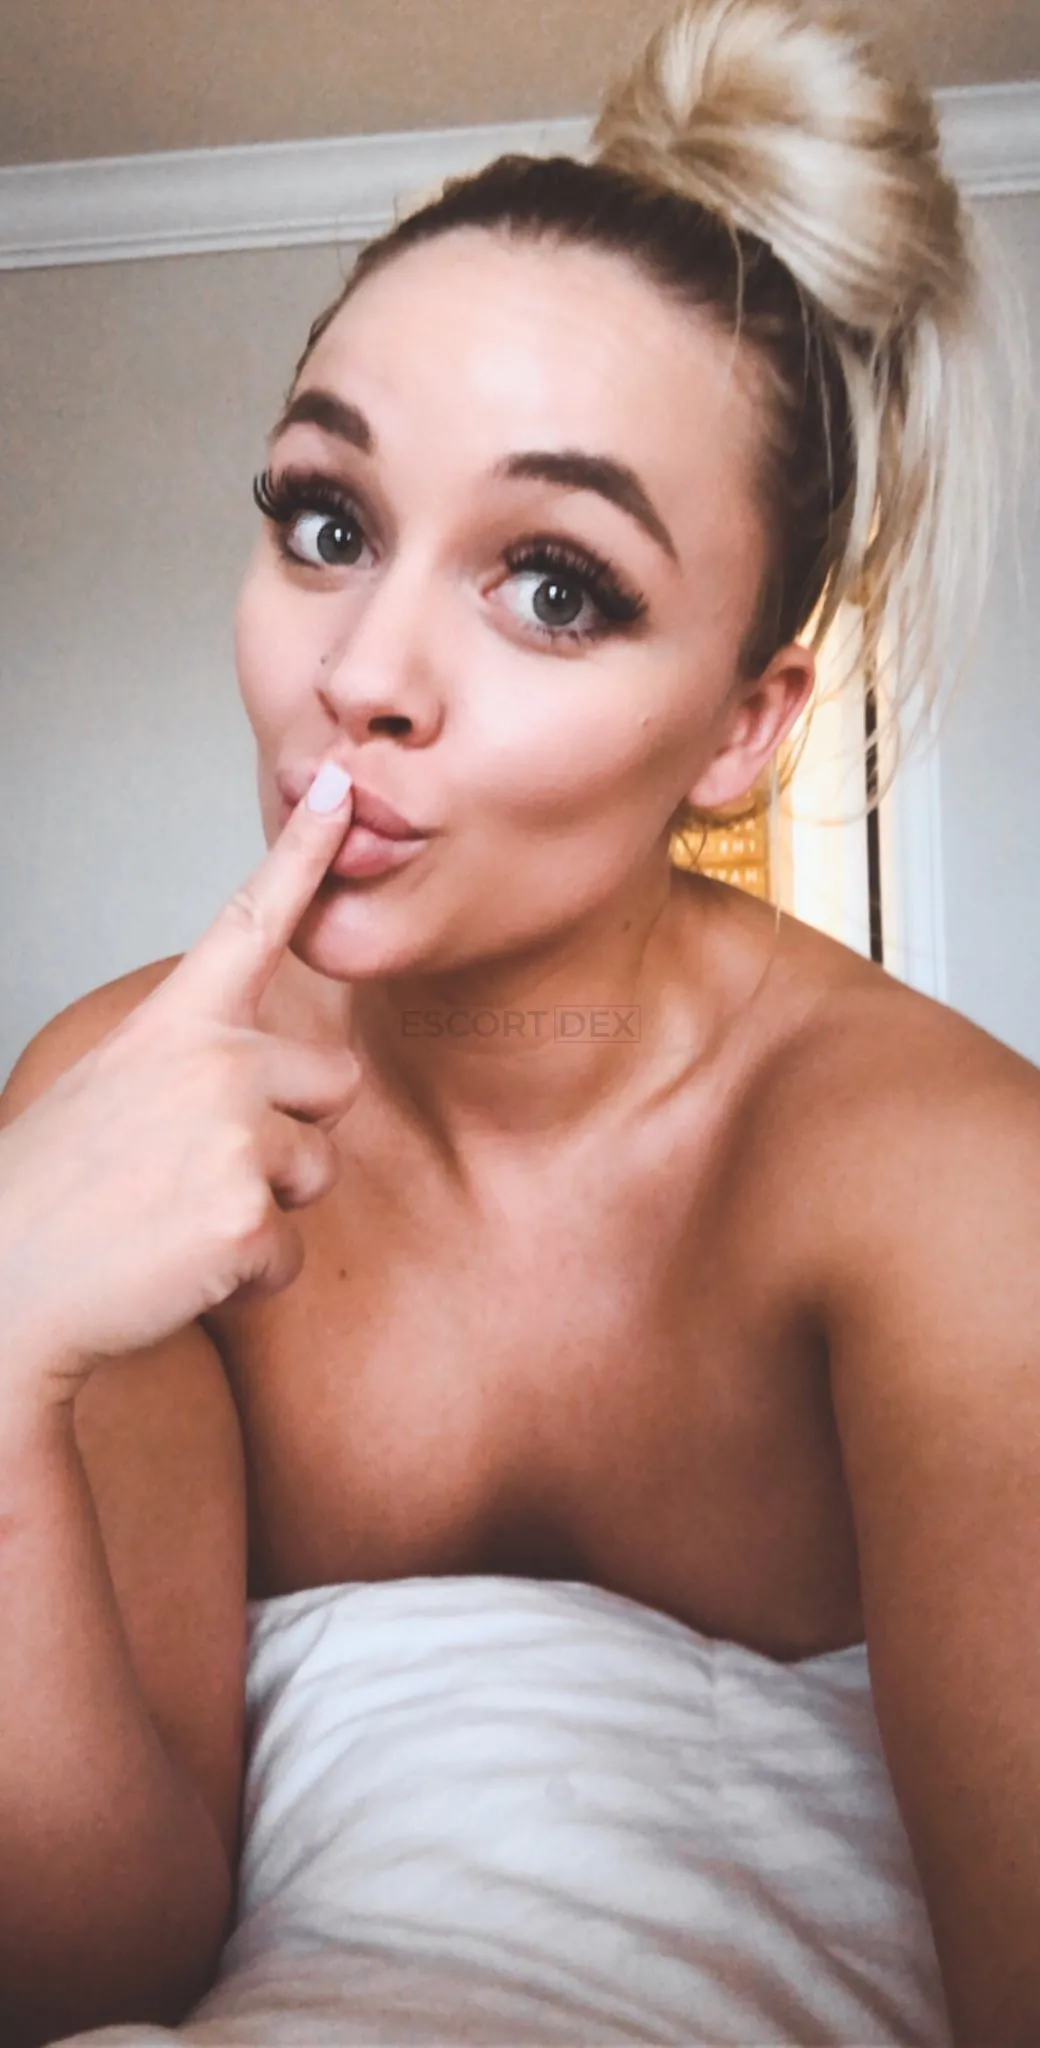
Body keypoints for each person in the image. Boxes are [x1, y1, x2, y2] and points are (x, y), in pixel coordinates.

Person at [0, 0, 1036, 2041]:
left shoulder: (948, 1177)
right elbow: (86, 1970)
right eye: (327, 522)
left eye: (554, 583)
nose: (362, 673)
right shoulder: (120, 1107)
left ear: (742, 729)